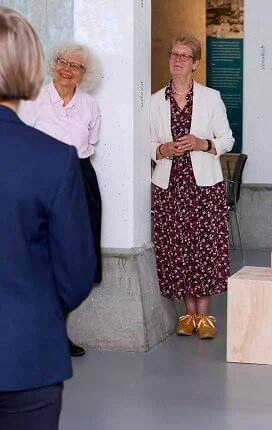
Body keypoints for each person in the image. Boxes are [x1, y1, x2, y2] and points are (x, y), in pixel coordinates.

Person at [0, 7, 96, 429]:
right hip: (27, 354)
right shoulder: (54, 161)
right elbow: (76, 273)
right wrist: (36, 311)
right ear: (32, 66)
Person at [19, 43, 102, 358]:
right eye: (62, 62)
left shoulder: (90, 105)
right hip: (39, 181)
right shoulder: (34, 99)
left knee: (69, 260)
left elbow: (90, 143)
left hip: (78, 181)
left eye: (75, 65)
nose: (67, 69)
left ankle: (57, 335)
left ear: (84, 74)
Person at [150, 34, 234, 339]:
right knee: (178, 247)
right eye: (174, 54)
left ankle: (205, 314)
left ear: (195, 63)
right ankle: (187, 314)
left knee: (205, 248)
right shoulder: (155, 101)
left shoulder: (211, 98)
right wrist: (161, 150)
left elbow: (227, 139)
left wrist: (203, 143)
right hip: (170, 186)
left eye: (184, 56)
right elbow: (146, 143)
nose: (177, 60)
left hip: (204, 186)